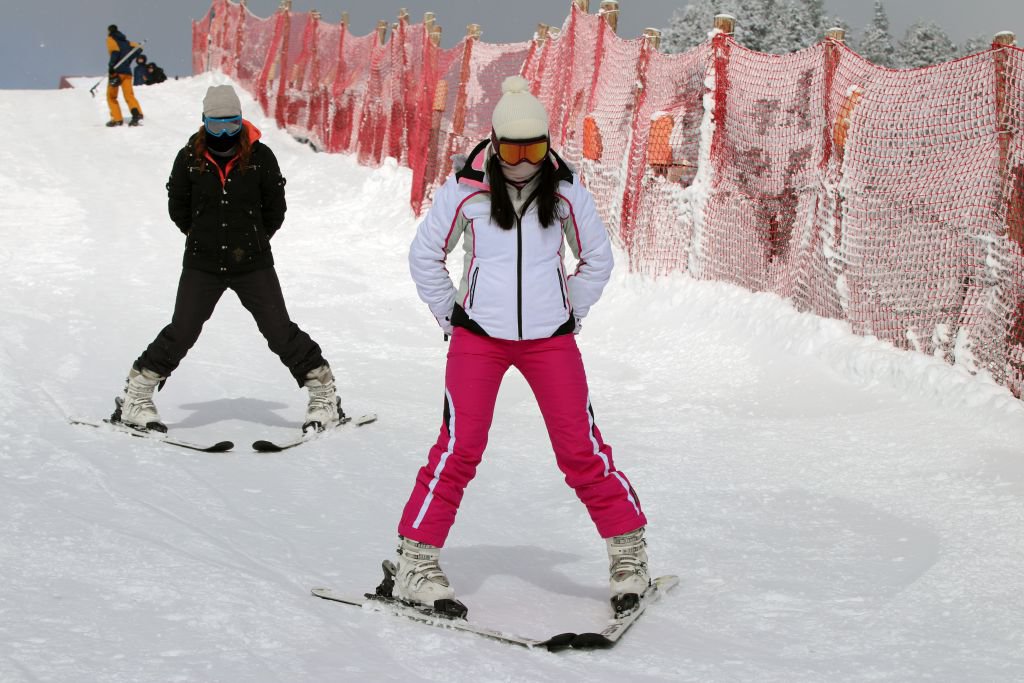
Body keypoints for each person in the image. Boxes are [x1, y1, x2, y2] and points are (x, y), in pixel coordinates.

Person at [391, 75, 650, 613]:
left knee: (580, 448)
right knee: (459, 448)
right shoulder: (464, 189)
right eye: (514, 148)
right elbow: (425, 256)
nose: (525, 159)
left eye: (536, 147)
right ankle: (416, 561)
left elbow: (597, 258)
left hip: (549, 342)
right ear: (495, 142)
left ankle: (628, 553)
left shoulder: (567, 190)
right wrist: (451, 315)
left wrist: (567, 309)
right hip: (478, 340)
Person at [112, 85, 342, 434]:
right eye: (216, 126)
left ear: (241, 122)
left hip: (252, 262)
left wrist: (250, 239)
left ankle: (323, 395)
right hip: (203, 263)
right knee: (182, 331)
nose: (224, 134)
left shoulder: (261, 158)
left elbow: (274, 210)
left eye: (232, 125)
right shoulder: (189, 157)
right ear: (204, 123)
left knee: (279, 331)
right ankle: (136, 395)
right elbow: (179, 209)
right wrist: (205, 237)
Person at [105, 24, 143, 127]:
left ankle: (117, 119)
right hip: (127, 73)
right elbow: (138, 49)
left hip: (116, 72)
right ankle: (136, 113)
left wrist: (111, 67)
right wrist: (128, 60)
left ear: (109, 31)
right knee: (129, 95)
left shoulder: (110, 39)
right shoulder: (126, 42)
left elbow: (115, 52)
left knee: (111, 96)